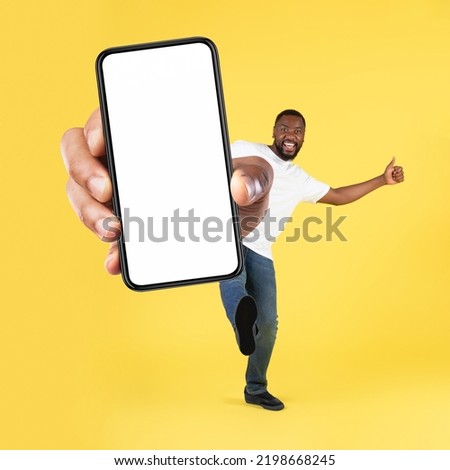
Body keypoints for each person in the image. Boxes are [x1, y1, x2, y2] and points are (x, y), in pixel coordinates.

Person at [60, 108, 404, 412]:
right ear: (274, 131)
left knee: (269, 326)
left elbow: (340, 196)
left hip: (263, 252)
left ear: (303, 138)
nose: (291, 135)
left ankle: (255, 388)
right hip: (229, 235)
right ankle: (241, 319)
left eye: (298, 131)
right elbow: (201, 166)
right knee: (234, 279)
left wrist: (382, 180)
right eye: (285, 128)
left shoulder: (301, 179)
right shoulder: (244, 149)